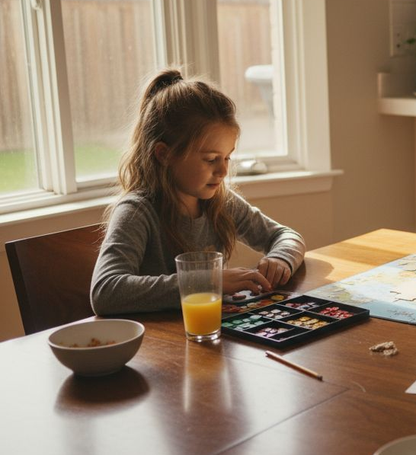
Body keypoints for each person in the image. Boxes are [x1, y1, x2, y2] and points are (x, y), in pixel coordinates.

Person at [90, 69, 306, 315]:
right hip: (157, 346)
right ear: (165, 154)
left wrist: (280, 259)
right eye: (211, 159)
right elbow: (105, 292)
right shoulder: (136, 212)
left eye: (227, 157)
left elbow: (286, 236)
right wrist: (209, 282)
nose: (223, 170)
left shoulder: (220, 201)